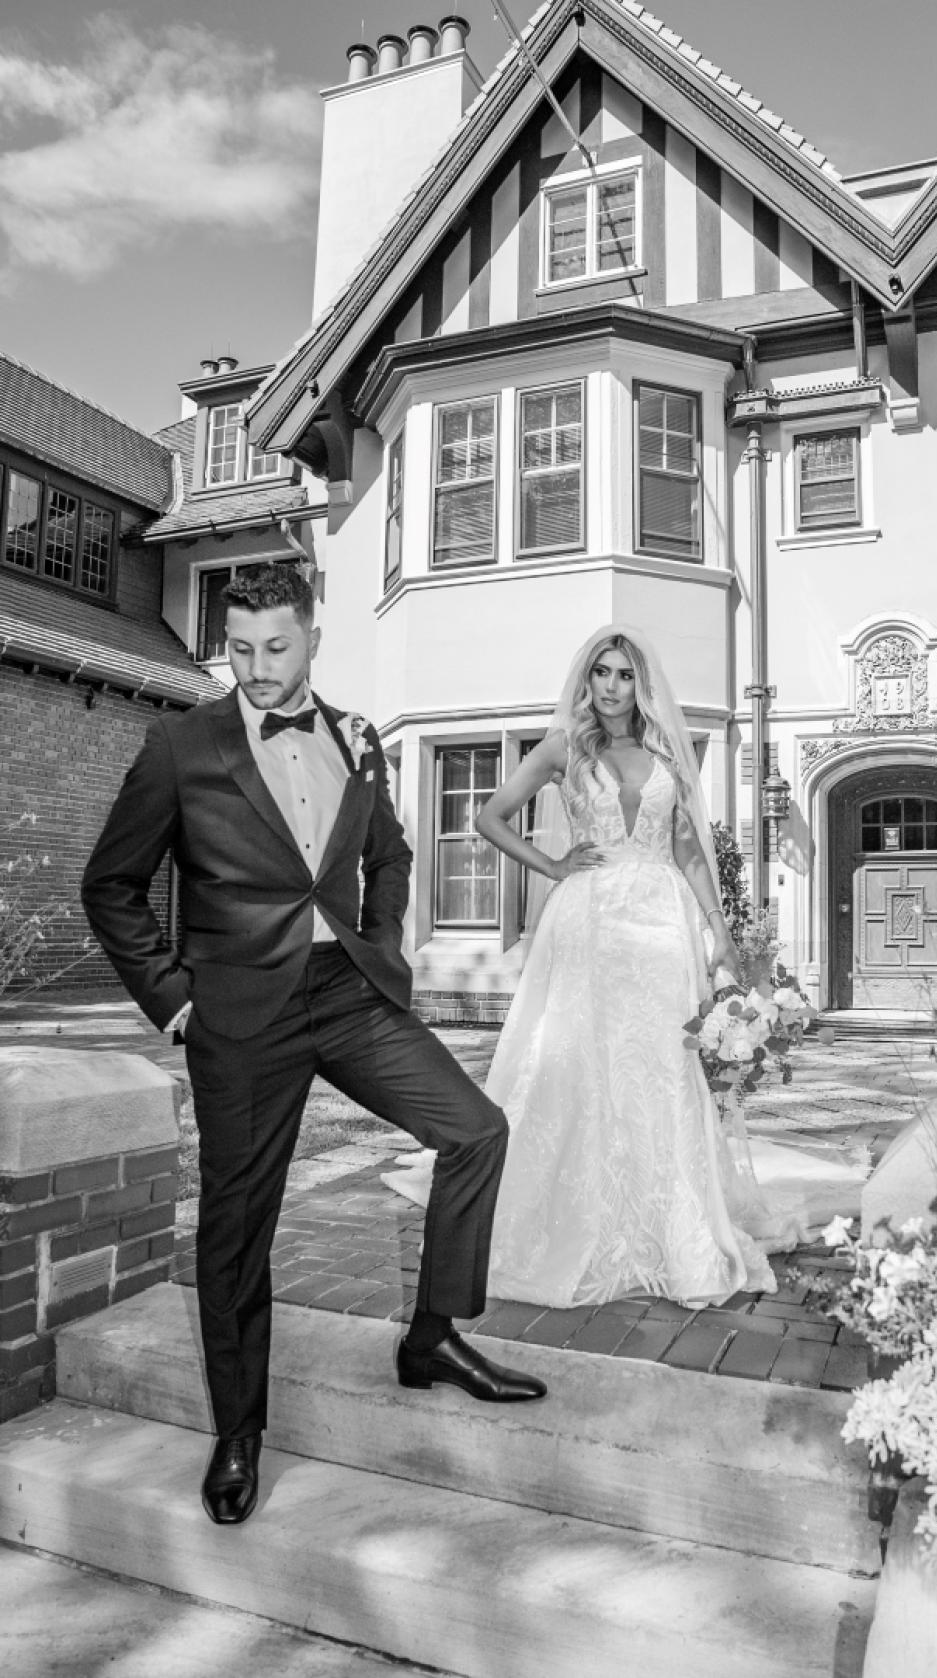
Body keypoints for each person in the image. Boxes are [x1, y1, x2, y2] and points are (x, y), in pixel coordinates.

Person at [81, 563, 545, 1530]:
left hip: (349, 995)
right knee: (237, 1227)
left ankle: (432, 1336)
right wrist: (174, 1001)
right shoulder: (179, 745)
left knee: (475, 1131)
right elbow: (111, 886)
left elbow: (389, 853)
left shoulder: (359, 739)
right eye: (241, 648)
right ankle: (238, 1430)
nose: (256, 668)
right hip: (238, 1012)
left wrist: (382, 945)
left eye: (276, 647)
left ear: (313, 639)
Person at [384, 625, 861, 1309]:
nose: (611, 686)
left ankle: (674, 1221)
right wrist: (552, 865)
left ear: (642, 684)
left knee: (663, 1064)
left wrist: (719, 931)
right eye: (601, 673)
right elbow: (490, 817)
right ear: (588, 680)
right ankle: (580, 1215)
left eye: (624, 675)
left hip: (662, 920)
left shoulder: (664, 748)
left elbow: (689, 851)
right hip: (591, 917)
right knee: (579, 1057)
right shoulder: (563, 747)